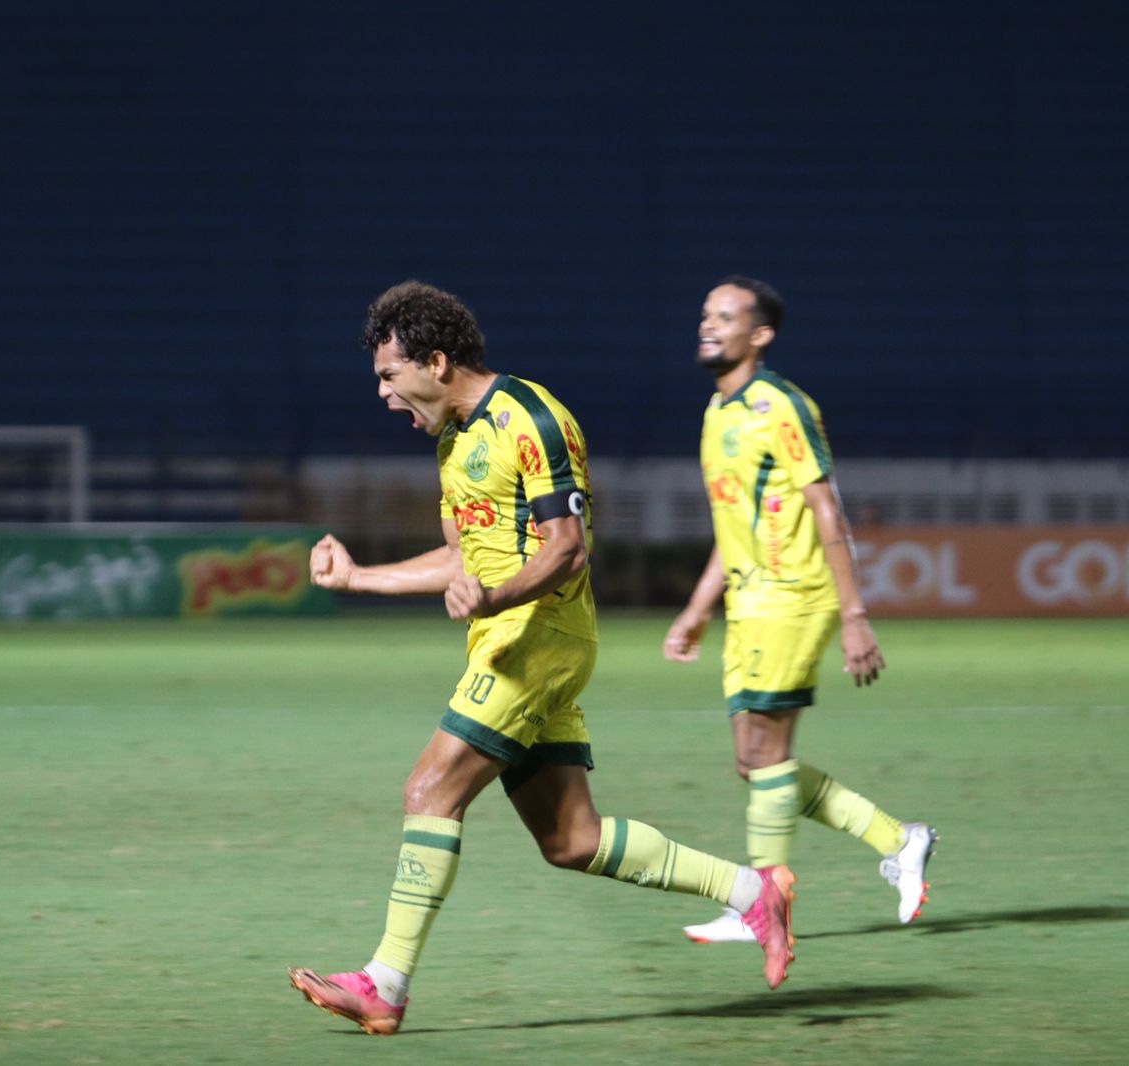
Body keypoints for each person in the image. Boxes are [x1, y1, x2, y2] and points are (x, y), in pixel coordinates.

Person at [288, 280, 796, 1037]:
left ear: (435, 360)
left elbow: (568, 549)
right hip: (513, 637)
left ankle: (384, 986)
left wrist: (494, 598)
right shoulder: (454, 440)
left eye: (391, 376)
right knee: (571, 840)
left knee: (430, 789)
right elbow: (460, 557)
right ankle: (754, 892)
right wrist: (359, 577)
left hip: (539, 639)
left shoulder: (530, 417)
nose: (385, 395)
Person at [663, 275, 937, 944]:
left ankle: (763, 906)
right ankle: (900, 840)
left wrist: (854, 615)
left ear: (760, 335)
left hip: (792, 597)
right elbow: (732, 526)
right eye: (706, 313)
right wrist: (698, 608)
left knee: (767, 755)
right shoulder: (716, 412)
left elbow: (826, 509)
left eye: (726, 317)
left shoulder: (782, 405)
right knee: (755, 764)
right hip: (748, 601)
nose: (708, 324)